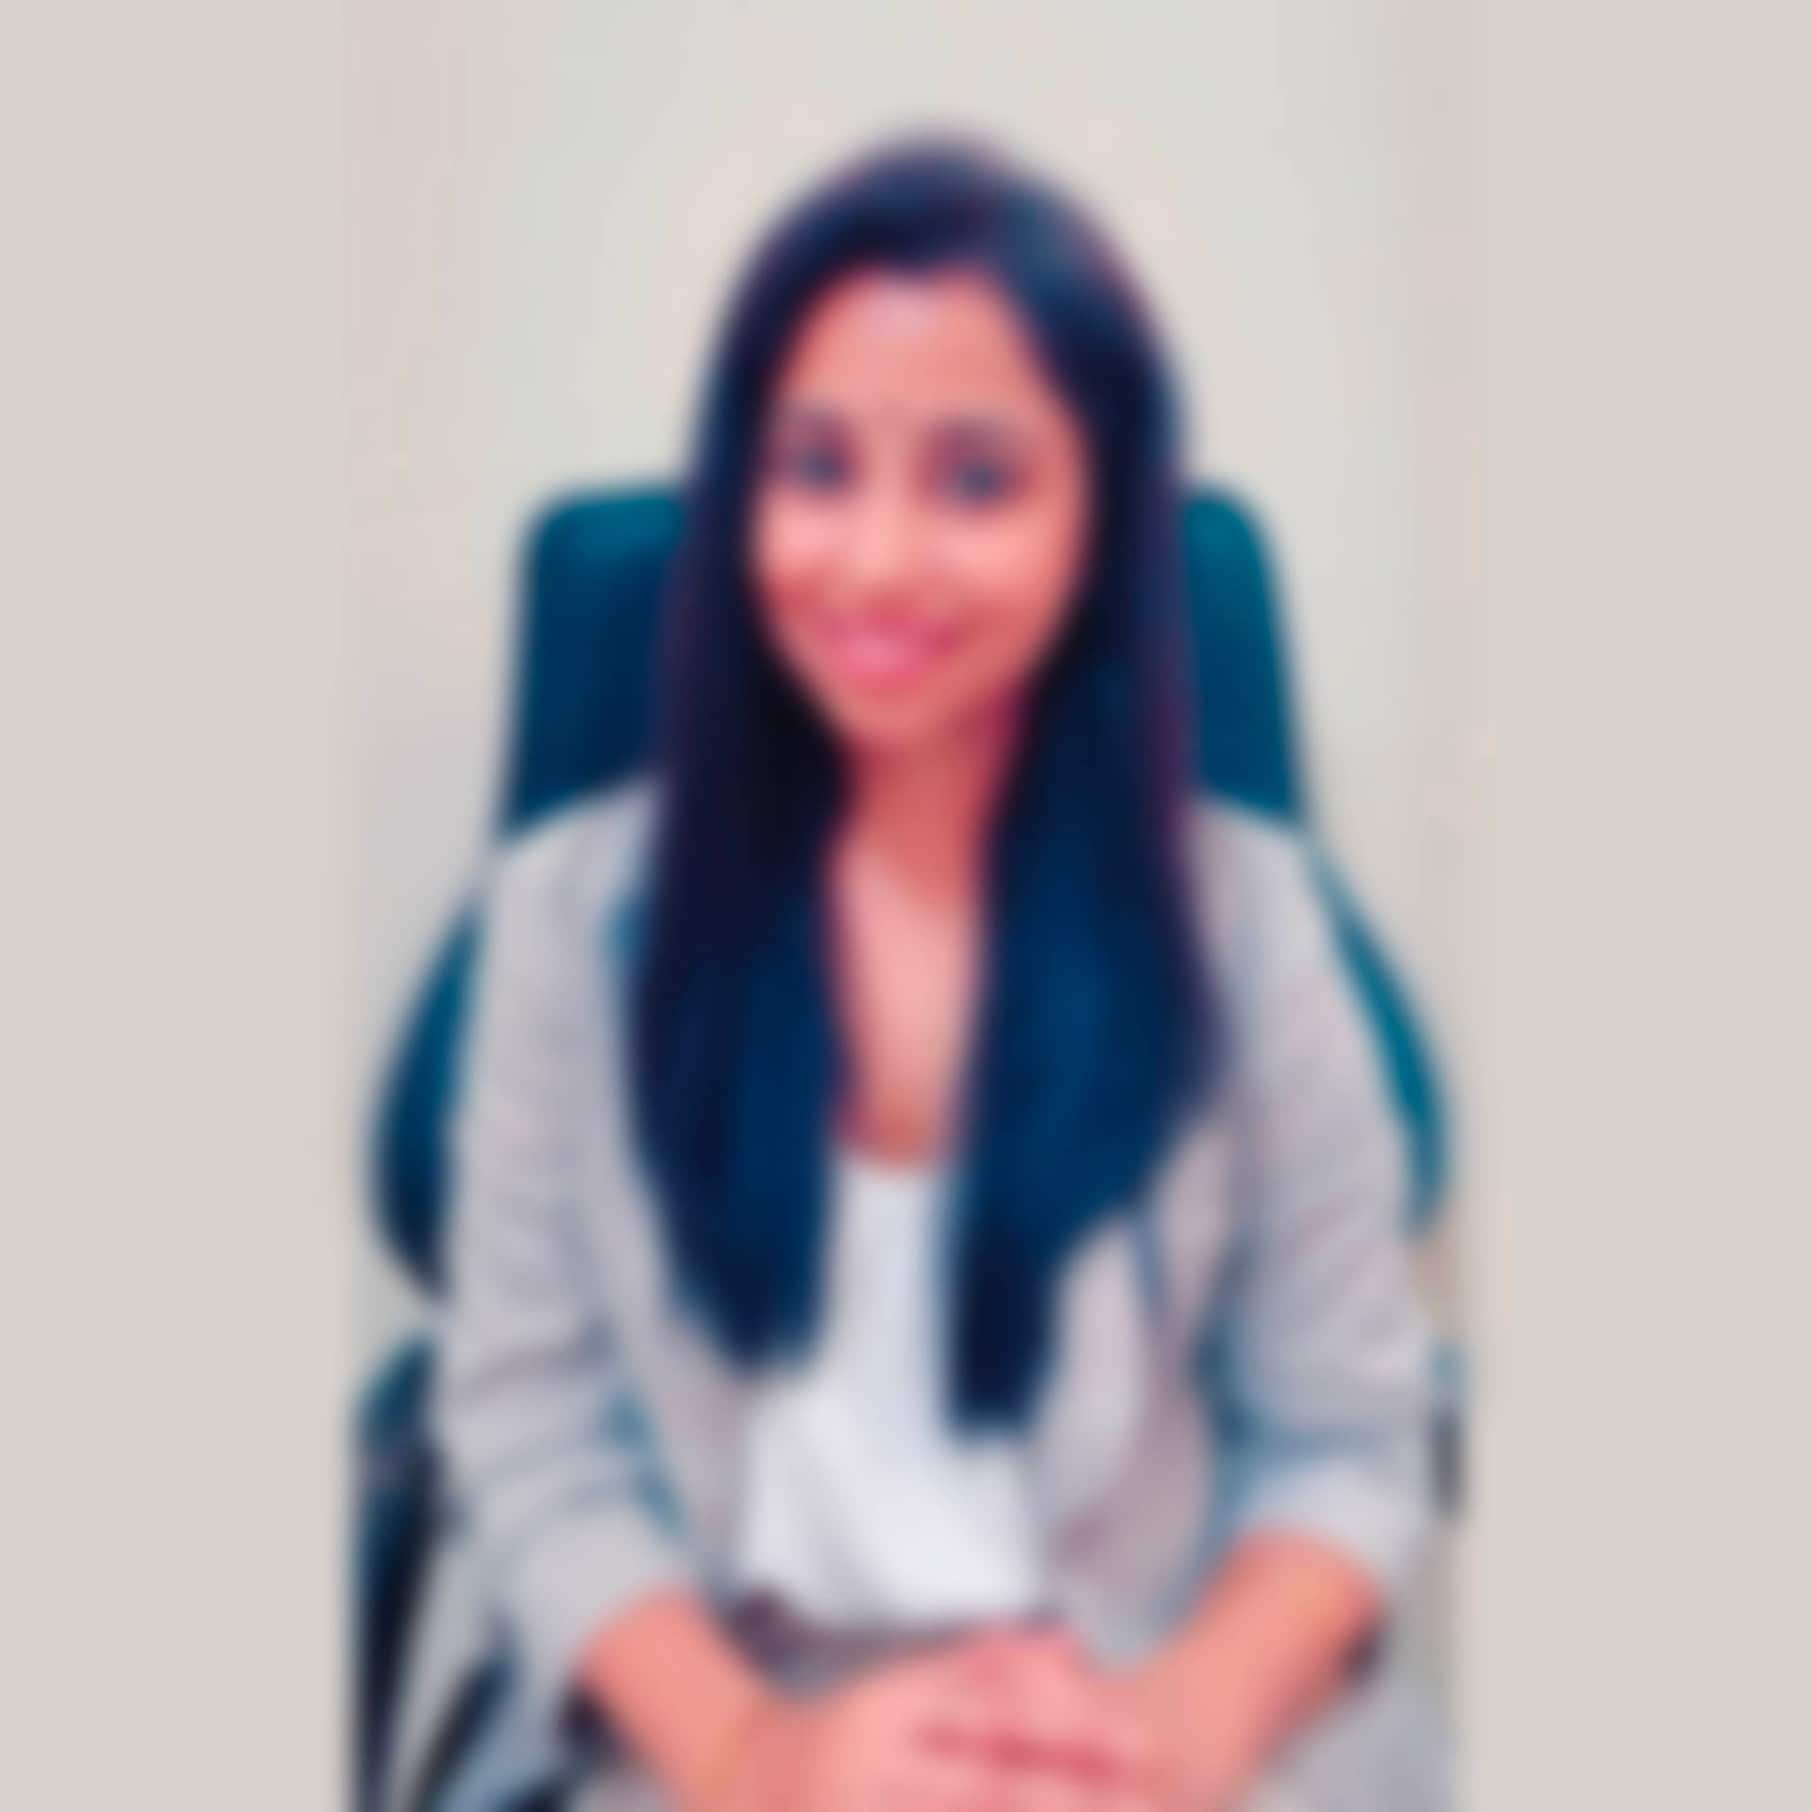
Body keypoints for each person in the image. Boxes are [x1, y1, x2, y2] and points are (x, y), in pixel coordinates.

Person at [434, 137, 1442, 1812]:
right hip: (714, 1735)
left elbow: (1345, 1434)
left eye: (977, 482)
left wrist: (1176, 1728)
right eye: (816, 468)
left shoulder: (1249, 919)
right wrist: (761, 1757)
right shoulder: (565, 920)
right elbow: (536, 1440)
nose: (879, 561)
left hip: (1137, 1713)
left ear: (1099, 522)